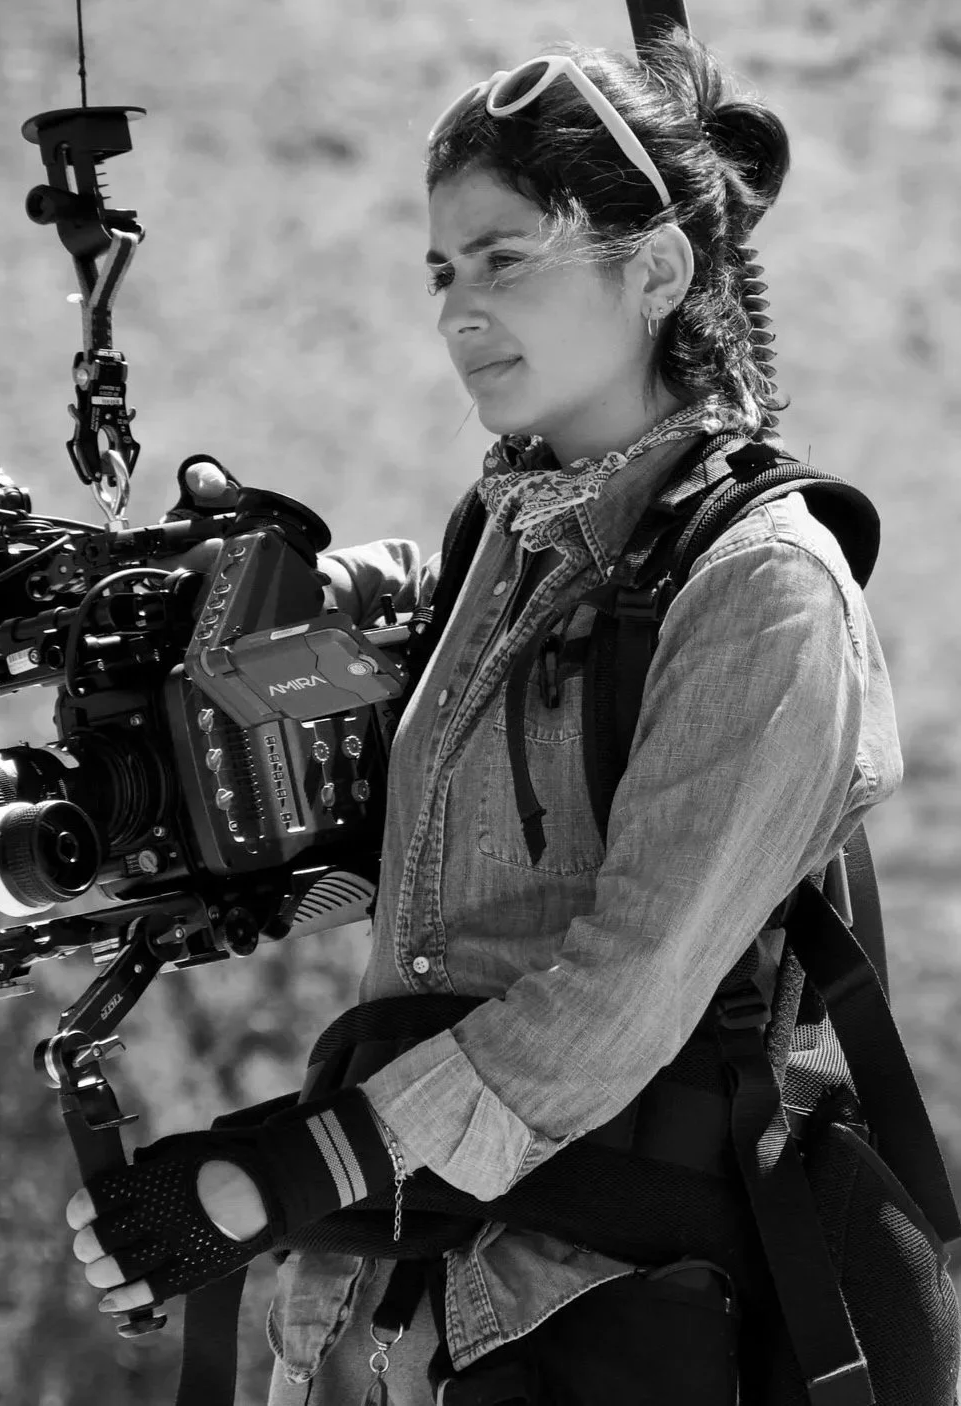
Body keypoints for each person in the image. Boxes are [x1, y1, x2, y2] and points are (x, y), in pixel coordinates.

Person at [66, 31, 903, 1405]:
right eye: (442, 271)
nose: (458, 311)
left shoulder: (762, 587)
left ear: (656, 269)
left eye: (506, 257)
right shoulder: (504, 548)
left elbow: (618, 997)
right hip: (458, 1315)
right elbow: (438, 903)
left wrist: (298, 1166)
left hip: (647, 1321)